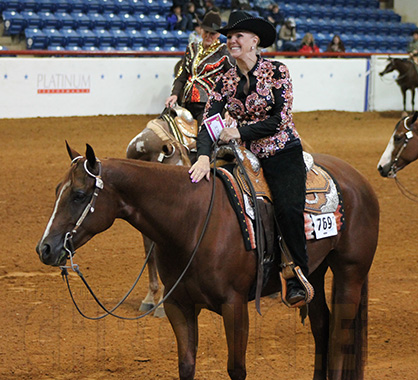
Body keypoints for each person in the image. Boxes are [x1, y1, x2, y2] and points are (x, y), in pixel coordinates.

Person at [189, 10, 312, 307]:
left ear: (254, 41)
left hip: (281, 151)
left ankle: (297, 274)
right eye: (229, 37)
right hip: (242, 156)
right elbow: (209, 122)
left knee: (287, 207)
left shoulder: (277, 71)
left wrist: (239, 132)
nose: (231, 41)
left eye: (237, 37)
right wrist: (203, 157)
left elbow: (281, 119)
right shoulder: (225, 81)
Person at [165, 11, 235, 126]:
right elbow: (182, 75)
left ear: (218, 34)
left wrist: (229, 107)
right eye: (206, 32)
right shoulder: (192, 48)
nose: (208, 36)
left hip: (209, 105)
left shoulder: (224, 52)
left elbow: (232, 82)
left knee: (204, 136)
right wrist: (175, 94)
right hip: (186, 100)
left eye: (212, 33)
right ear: (201, 30)